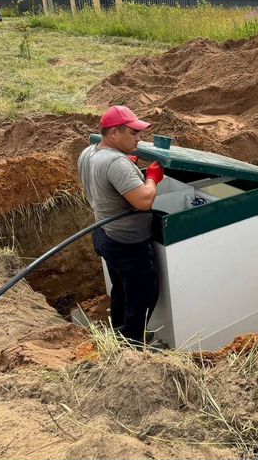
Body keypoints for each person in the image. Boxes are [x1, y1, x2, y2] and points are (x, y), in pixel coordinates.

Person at [77, 105, 165, 345]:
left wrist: (129, 166)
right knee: (143, 294)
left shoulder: (89, 152)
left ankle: (118, 331)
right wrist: (151, 178)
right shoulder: (116, 163)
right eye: (133, 133)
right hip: (128, 242)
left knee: (122, 289)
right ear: (114, 133)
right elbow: (144, 200)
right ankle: (133, 343)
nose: (139, 138)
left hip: (104, 234)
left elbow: (104, 179)